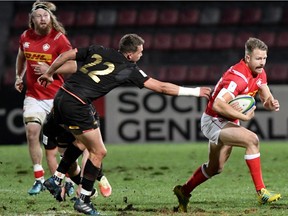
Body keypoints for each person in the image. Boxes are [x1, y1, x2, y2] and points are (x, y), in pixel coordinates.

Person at [38, 33, 211, 215]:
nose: (141, 55)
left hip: (61, 96)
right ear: (130, 55)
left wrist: (49, 73)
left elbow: (66, 55)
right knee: (99, 151)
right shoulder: (128, 68)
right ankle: (83, 199)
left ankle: (56, 178)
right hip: (77, 103)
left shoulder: (99, 50)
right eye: (140, 52)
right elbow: (162, 87)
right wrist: (195, 92)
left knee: (82, 142)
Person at [173, 37, 281, 213]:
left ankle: (184, 190)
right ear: (247, 58)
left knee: (215, 168)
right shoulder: (237, 78)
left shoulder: (260, 73)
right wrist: (242, 116)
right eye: (258, 59)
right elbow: (218, 104)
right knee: (252, 140)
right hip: (214, 120)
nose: (262, 63)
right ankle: (262, 192)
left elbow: (266, 98)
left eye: (264, 58)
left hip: (228, 121)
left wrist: (271, 103)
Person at [14, 1, 75, 195]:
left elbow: (73, 67)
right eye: (39, 16)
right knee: (32, 132)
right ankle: (38, 178)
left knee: (62, 144)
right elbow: (21, 56)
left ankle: (68, 179)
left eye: (45, 15)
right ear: (32, 20)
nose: (42, 18)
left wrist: (50, 70)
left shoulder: (59, 39)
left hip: (56, 97)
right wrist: (18, 76)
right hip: (34, 96)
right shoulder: (25, 36)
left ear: (51, 18)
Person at [42, 109, 112, 199]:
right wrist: (59, 187)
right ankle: (90, 188)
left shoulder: (80, 115)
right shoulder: (49, 126)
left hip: (85, 119)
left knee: (93, 151)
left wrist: (82, 187)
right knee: (70, 166)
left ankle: (96, 179)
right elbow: (50, 155)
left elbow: (87, 151)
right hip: (67, 131)